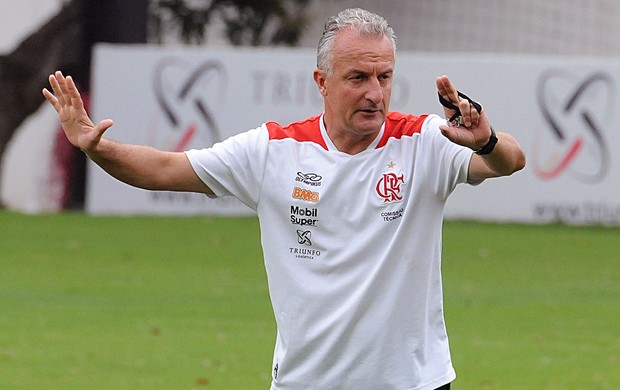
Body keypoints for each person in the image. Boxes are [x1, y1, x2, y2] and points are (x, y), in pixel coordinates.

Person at [43, 8, 525, 390]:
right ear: (322, 82)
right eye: (358, 77)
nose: (375, 93)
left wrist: (484, 140)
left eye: (384, 77)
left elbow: (508, 161)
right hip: (305, 383)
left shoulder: (423, 141)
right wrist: (97, 147)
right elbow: (165, 169)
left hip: (412, 384)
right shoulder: (273, 150)